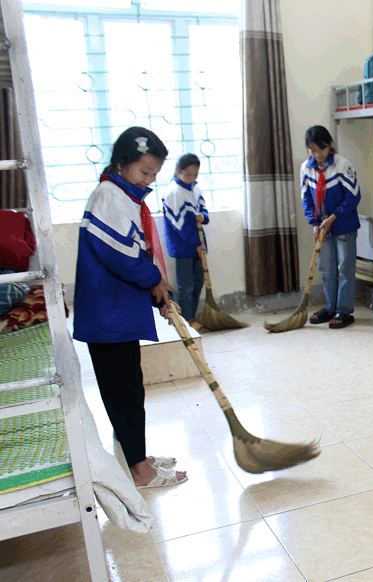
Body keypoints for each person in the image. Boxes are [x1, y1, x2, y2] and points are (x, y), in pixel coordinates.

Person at [73, 126, 188, 489]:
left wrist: (159, 293)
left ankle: (136, 456)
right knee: (123, 392)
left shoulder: (124, 195)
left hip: (118, 311)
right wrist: (155, 280)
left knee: (129, 387)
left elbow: (137, 253)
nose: (148, 180)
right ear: (121, 164)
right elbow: (122, 256)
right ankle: (140, 471)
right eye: (144, 172)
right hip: (108, 315)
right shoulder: (108, 196)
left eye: (154, 174)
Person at [301, 126, 361, 329]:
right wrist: (315, 223)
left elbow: (353, 197)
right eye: (313, 150)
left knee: (344, 268)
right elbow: (307, 199)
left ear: (330, 145)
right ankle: (330, 307)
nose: (318, 155)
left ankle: (343, 311)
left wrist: (333, 218)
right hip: (323, 228)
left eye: (322, 149)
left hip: (343, 225)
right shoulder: (306, 169)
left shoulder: (343, 166)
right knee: (326, 268)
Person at [163, 153, 209, 325]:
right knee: (186, 285)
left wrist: (202, 217)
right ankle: (186, 320)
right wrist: (196, 244)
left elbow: (204, 211)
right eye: (187, 174)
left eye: (195, 175)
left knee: (198, 282)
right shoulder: (173, 192)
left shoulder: (195, 189)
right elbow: (181, 225)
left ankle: (193, 316)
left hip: (198, 243)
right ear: (178, 171)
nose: (191, 178)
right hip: (183, 246)